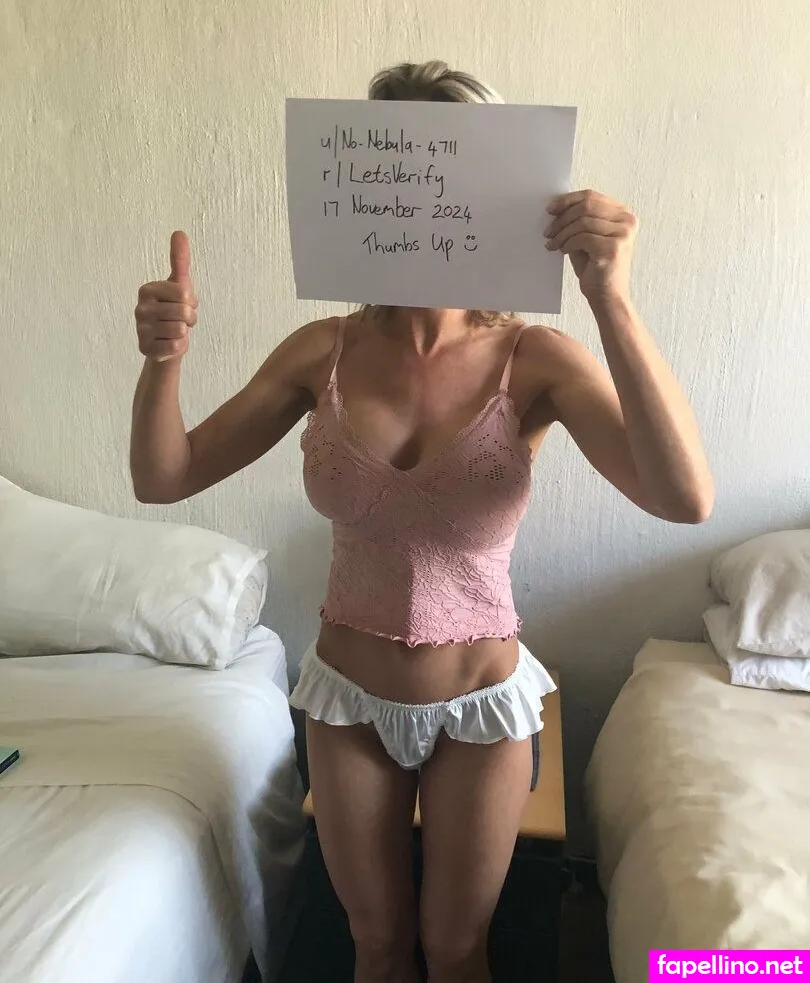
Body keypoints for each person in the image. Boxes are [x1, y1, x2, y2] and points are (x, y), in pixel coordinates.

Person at [130, 61, 713, 983]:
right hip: (347, 700)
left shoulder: (535, 359)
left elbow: (683, 497)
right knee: (374, 946)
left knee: (456, 948)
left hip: (482, 703)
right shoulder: (321, 352)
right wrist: (164, 361)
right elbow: (165, 477)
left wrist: (612, 298)